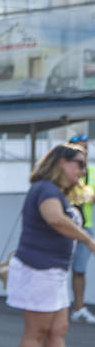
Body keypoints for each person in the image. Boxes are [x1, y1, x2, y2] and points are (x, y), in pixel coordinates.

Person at [7, 142, 95, 347]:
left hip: (53, 272)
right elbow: (55, 218)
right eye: (79, 164)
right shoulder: (45, 189)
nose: (83, 170)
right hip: (38, 270)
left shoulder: (58, 191)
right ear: (61, 163)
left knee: (58, 329)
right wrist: (89, 241)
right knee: (37, 330)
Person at [67, 135, 95, 324]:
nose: (83, 152)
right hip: (63, 229)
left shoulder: (92, 172)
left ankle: (79, 307)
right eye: (79, 148)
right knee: (55, 270)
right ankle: (51, 308)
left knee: (79, 270)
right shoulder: (61, 173)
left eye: (85, 148)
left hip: (84, 229)